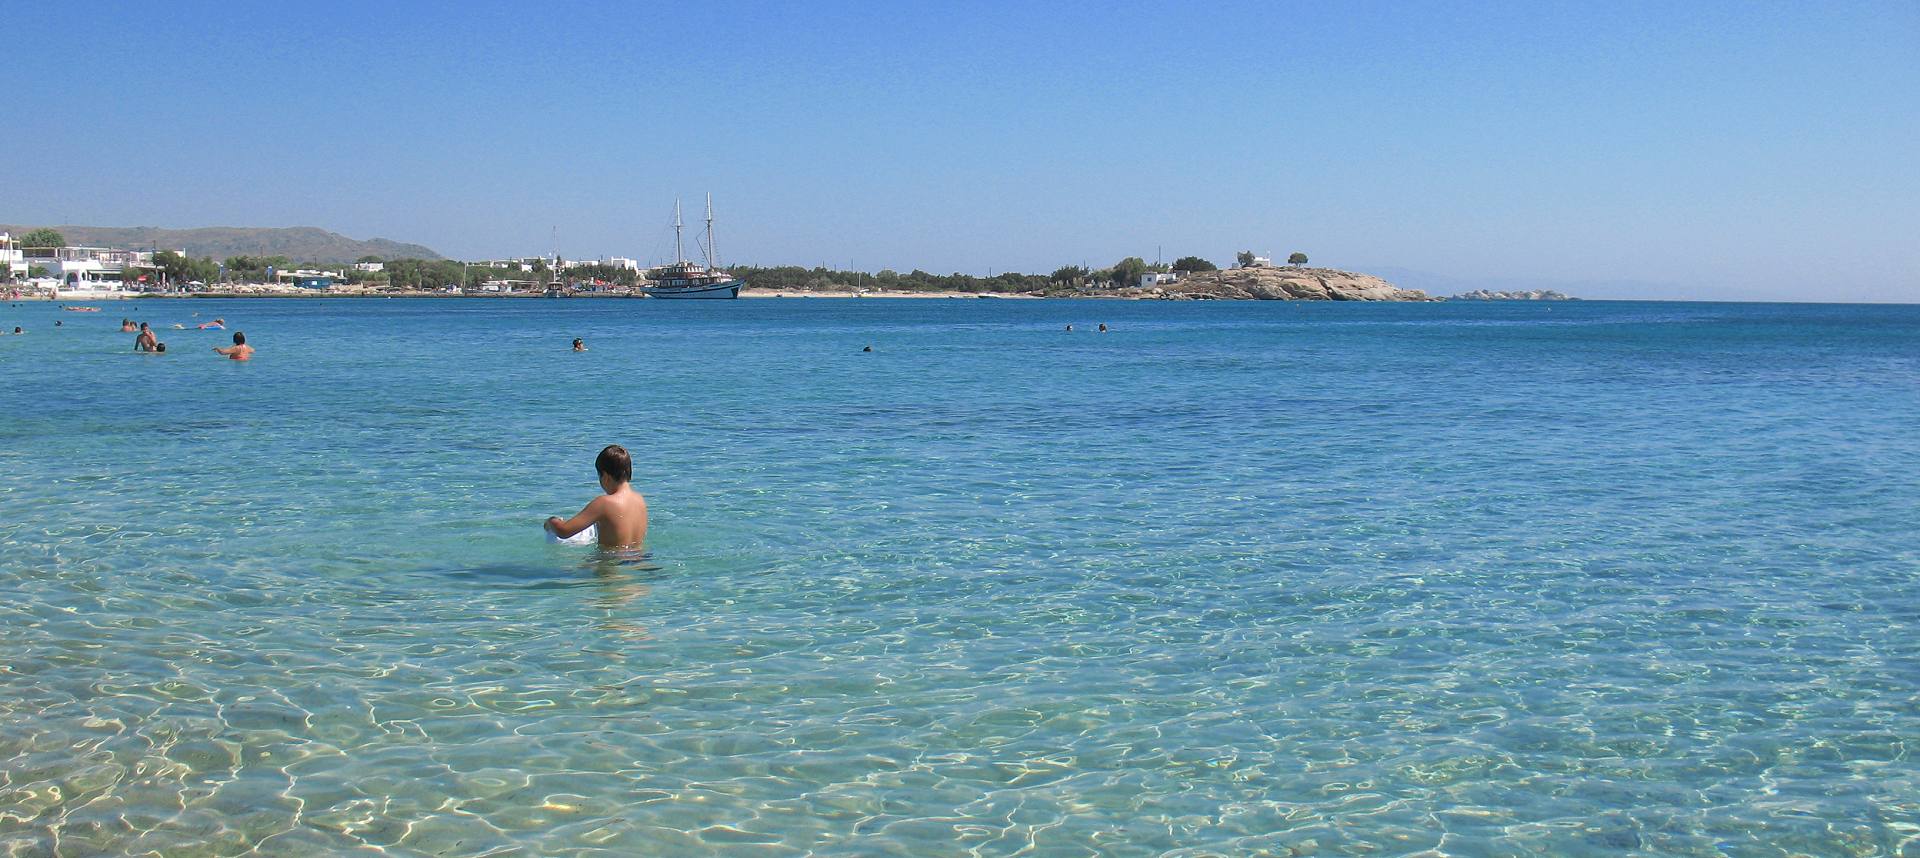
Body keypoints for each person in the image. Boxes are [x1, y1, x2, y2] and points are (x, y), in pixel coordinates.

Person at [545, 445, 648, 549]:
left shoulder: (604, 503)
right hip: (639, 560)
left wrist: (552, 522)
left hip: (611, 562)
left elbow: (564, 531)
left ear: (606, 477)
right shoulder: (640, 500)